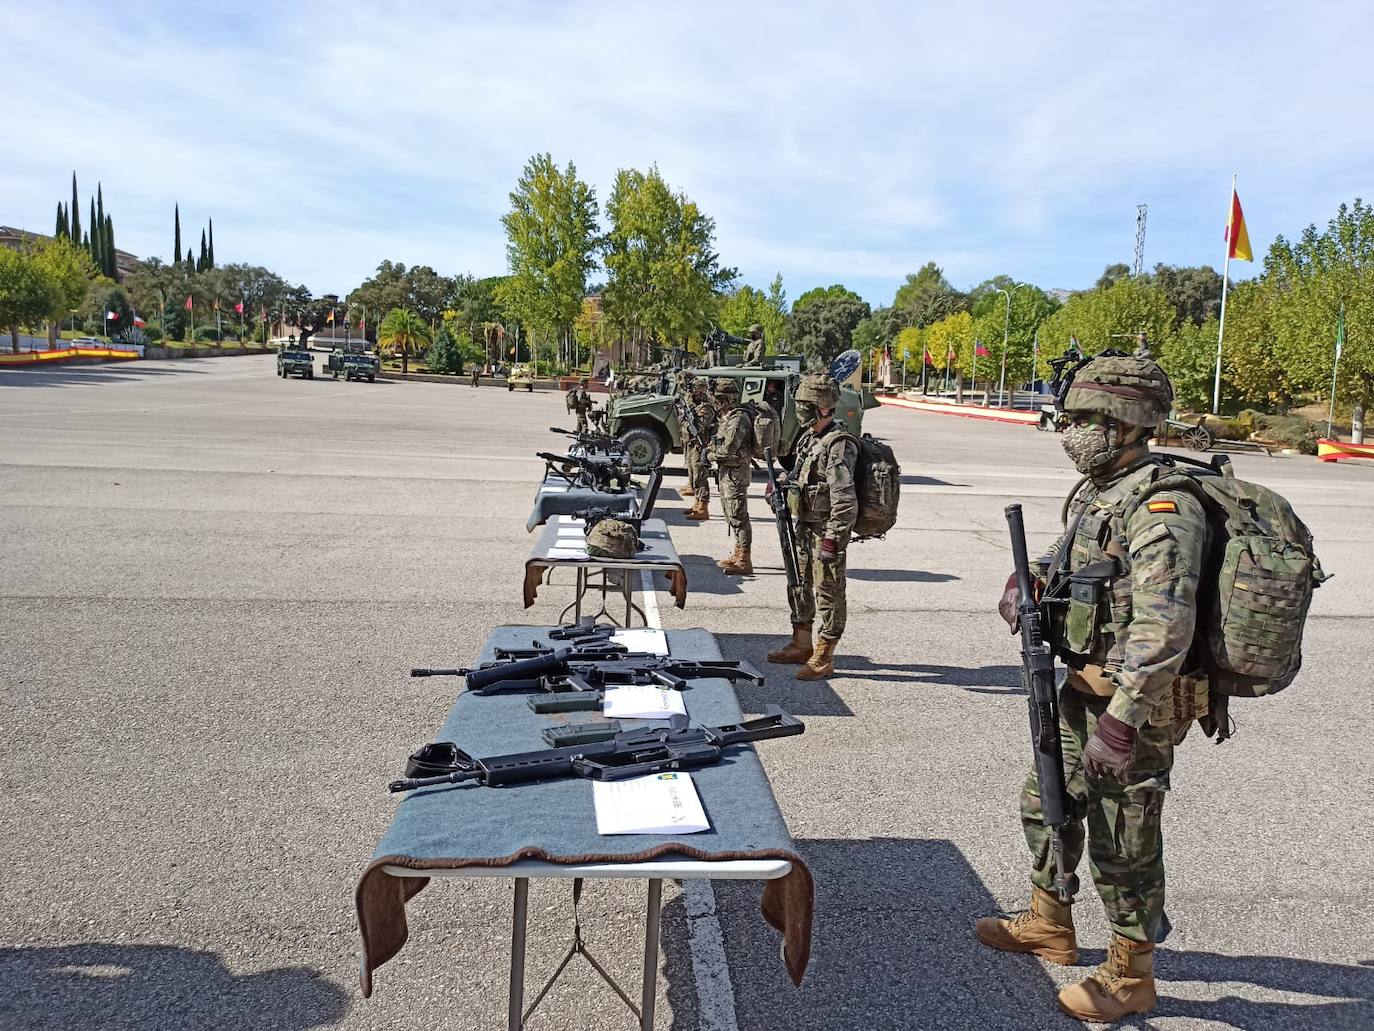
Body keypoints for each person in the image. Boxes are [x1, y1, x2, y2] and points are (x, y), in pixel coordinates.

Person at [978, 353, 1206, 1022]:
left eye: (1083, 419)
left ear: (1125, 422)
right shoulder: (1101, 489)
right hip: (1084, 683)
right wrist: (1029, 580)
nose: (1068, 430)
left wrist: (1122, 720)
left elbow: (1166, 626)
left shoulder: (1164, 506)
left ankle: (1132, 975)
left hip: (1138, 703)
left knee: (1123, 836)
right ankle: (1051, 921)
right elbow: (1075, 555)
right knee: (1043, 799)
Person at [765, 373, 857, 679]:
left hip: (825, 532)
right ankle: (801, 642)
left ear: (825, 408)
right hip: (803, 526)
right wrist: (781, 486)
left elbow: (845, 500)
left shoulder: (838, 445)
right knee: (799, 584)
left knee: (828, 591)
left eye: (807, 405)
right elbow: (800, 476)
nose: (800, 410)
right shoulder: (809, 438)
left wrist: (833, 540)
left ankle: (824, 654)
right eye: (800, 404)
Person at [708, 378, 753, 573]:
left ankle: (744, 559)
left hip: (736, 474)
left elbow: (728, 449)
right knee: (731, 514)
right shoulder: (728, 418)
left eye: (718, 399)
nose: (716, 403)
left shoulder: (738, 419)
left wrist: (710, 455)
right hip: (728, 472)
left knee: (738, 515)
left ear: (727, 399)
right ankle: (737, 553)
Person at [683, 379, 717, 520]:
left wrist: (690, 418)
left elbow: (698, 428)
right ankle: (697, 503)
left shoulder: (706, 408)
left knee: (700, 476)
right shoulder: (696, 408)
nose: (691, 394)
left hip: (701, 446)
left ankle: (703, 507)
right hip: (693, 445)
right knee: (693, 473)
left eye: (694, 392)